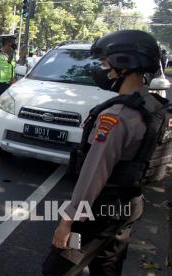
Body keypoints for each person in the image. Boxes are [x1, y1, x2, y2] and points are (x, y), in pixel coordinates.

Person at [42, 30, 168, 276]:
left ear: (124, 64)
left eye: (105, 64)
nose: (103, 71)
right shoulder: (152, 106)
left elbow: (94, 173)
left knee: (58, 269)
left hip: (100, 210)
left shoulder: (116, 116)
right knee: (107, 265)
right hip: (130, 204)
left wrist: (67, 221)